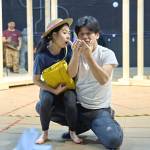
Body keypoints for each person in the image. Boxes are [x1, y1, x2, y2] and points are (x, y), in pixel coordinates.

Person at [33, 18, 82, 144]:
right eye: (64, 32)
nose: (68, 36)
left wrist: (76, 54)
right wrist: (53, 90)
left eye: (69, 33)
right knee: (45, 101)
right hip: (50, 87)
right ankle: (44, 133)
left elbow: (73, 74)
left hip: (66, 86)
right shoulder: (41, 55)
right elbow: (36, 80)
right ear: (54, 35)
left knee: (71, 101)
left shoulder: (69, 51)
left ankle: (72, 132)